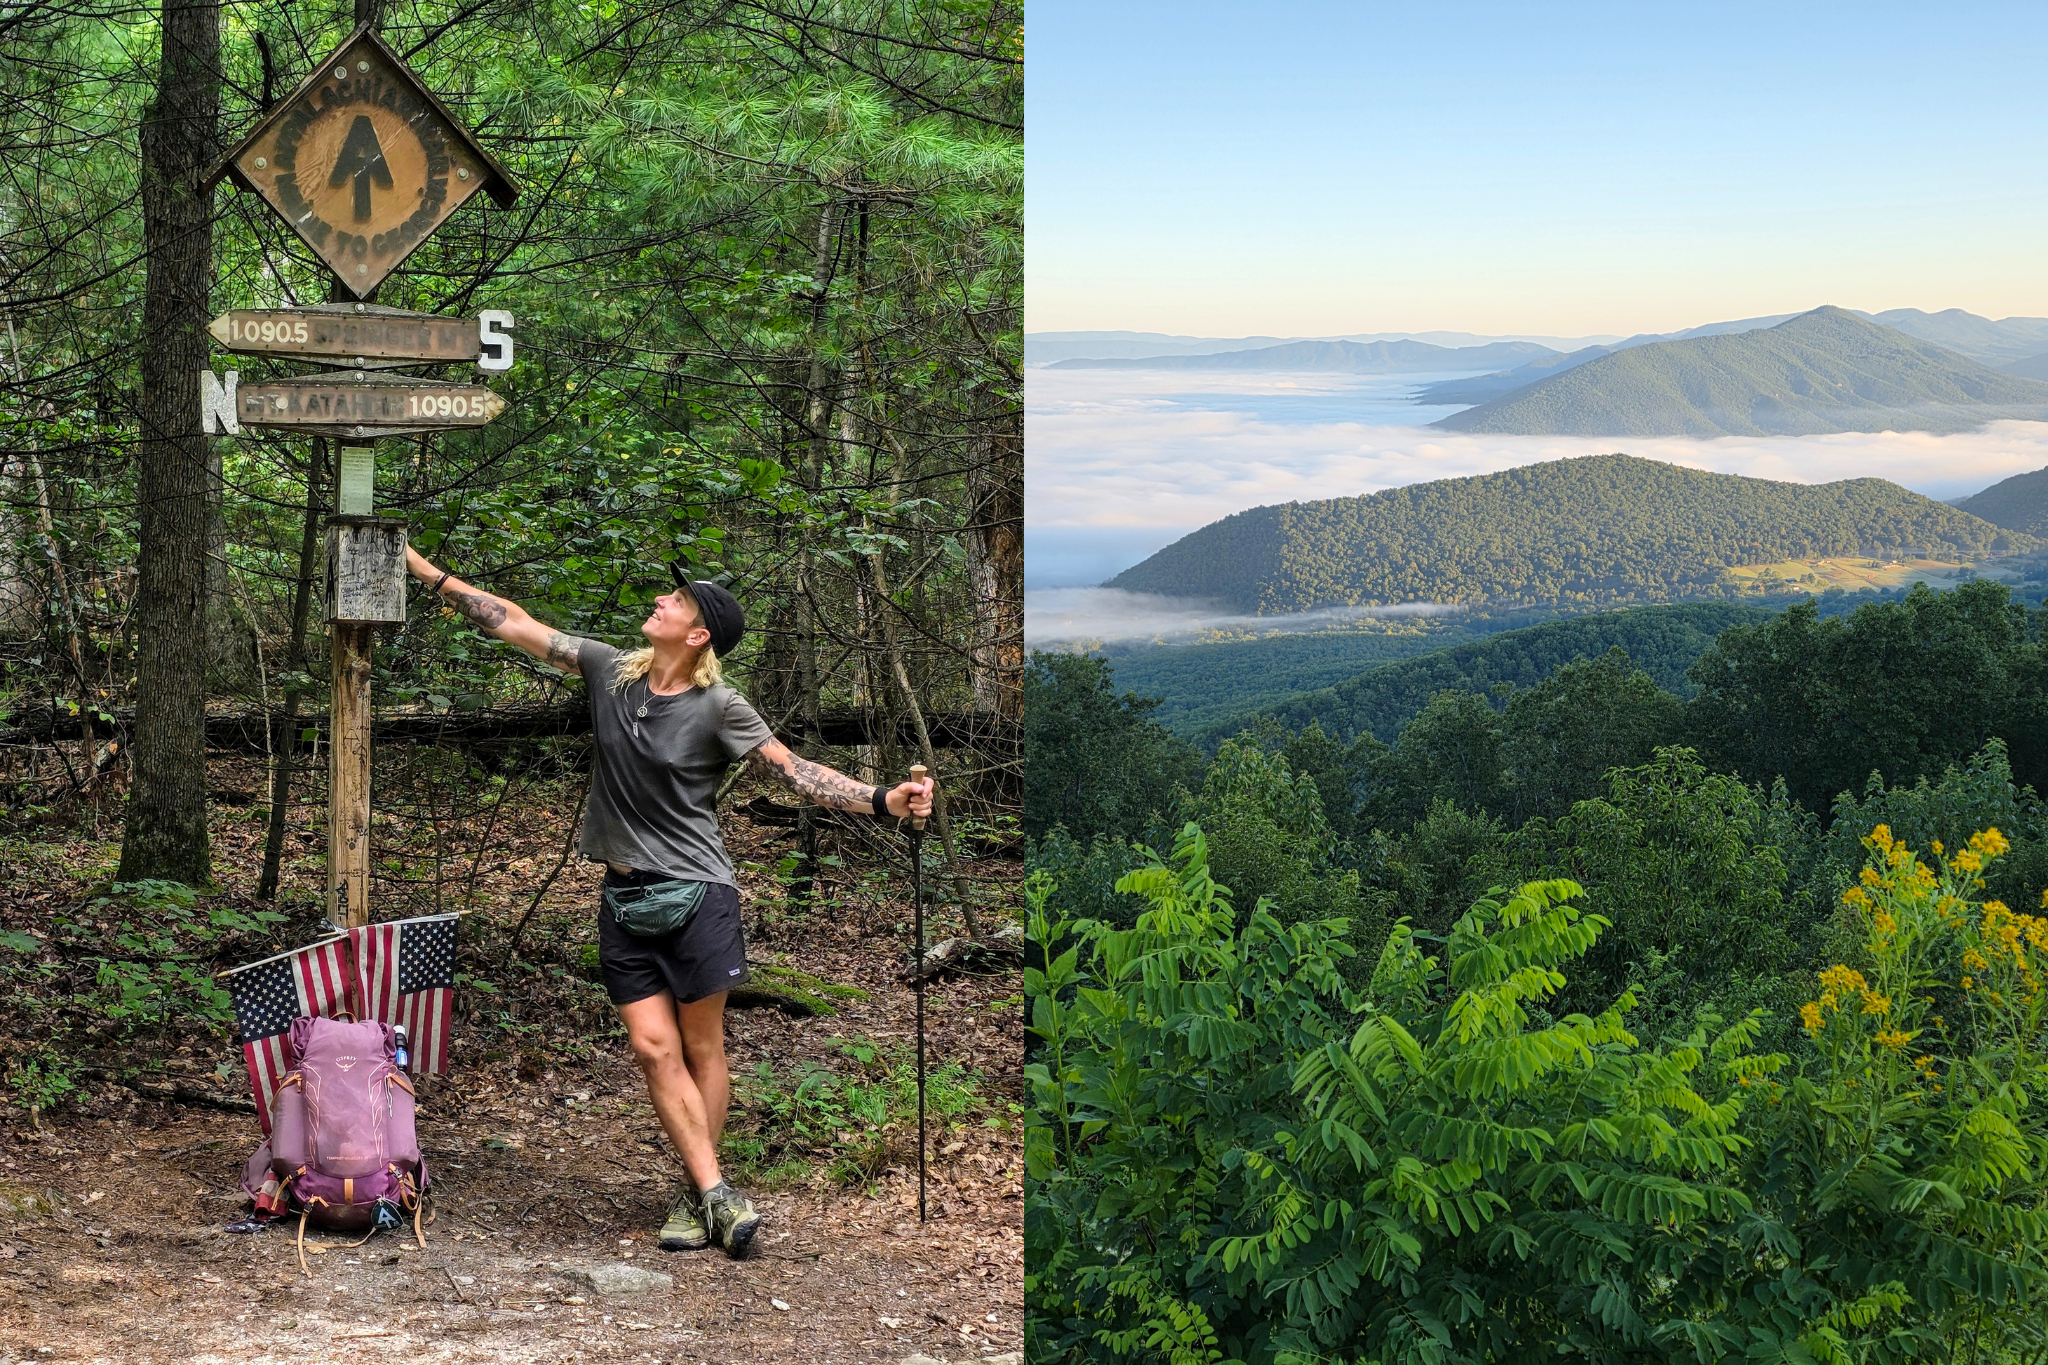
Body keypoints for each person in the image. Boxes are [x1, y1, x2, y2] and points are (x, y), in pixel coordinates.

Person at [403, 545, 934, 1258]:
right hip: (623, 896)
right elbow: (515, 622)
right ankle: (716, 1192)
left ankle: (697, 1192)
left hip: (697, 894)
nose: (661, 600)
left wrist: (882, 800)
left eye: (677, 601)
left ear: (698, 634)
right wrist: (425, 571)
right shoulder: (608, 672)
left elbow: (793, 772)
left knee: (701, 1046)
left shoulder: (720, 706)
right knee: (654, 1051)